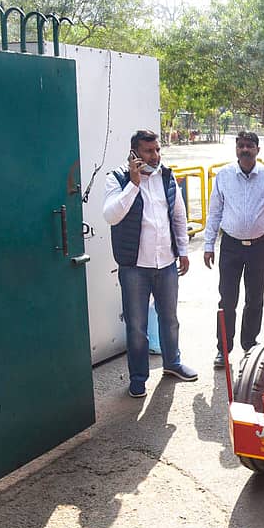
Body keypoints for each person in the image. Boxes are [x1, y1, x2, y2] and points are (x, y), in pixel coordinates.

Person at [102, 129, 198, 398]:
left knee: (170, 319)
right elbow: (111, 215)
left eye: (157, 150)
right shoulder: (117, 179)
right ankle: (138, 378)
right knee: (137, 326)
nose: (155, 156)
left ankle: (173, 363)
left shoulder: (166, 175)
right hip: (134, 266)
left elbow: (178, 216)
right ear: (134, 153)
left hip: (166, 262)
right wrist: (133, 184)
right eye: (149, 151)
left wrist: (183, 250)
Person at [204, 131, 264, 368]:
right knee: (227, 299)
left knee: (255, 299)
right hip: (230, 246)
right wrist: (208, 245)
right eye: (241, 145)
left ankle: (250, 345)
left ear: (257, 150)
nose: (245, 149)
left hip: (259, 247)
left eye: (249, 146)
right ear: (236, 149)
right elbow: (214, 213)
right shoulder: (223, 176)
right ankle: (223, 349)